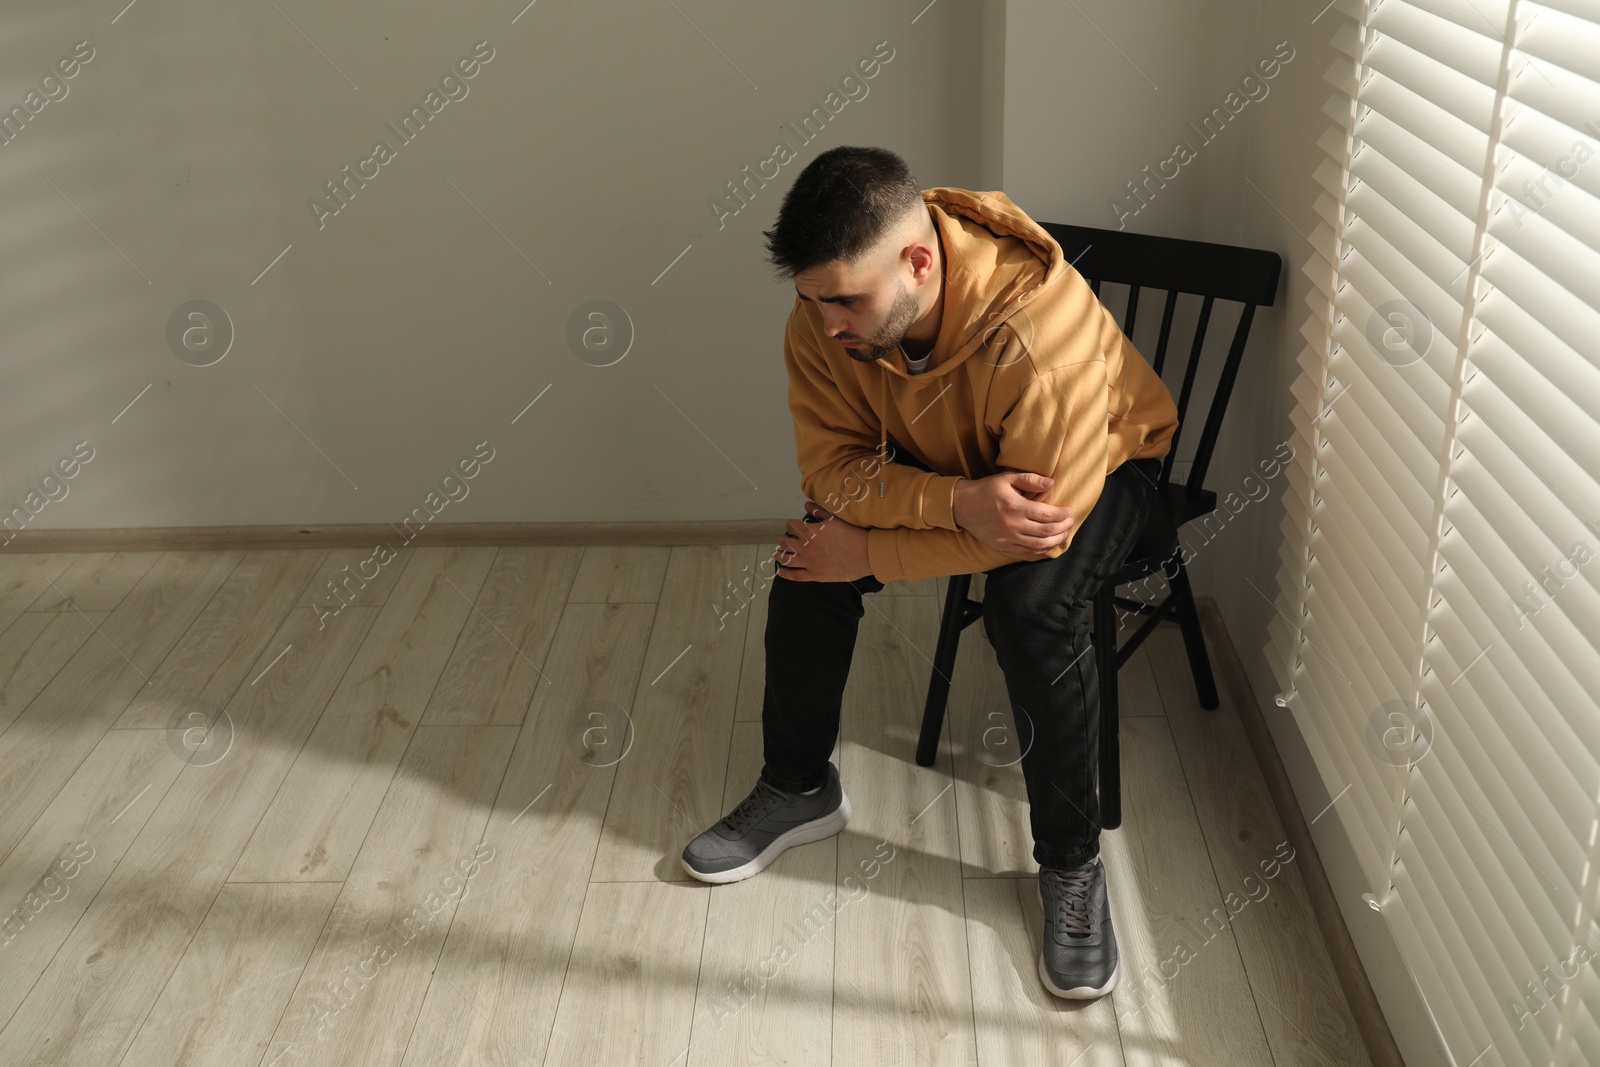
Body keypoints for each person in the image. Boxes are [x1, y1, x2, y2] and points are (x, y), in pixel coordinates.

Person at [679, 145, 1179, 1000]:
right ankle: (797, 785)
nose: (826, 324)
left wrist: (873, 549)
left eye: (844, 300)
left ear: (918, 262)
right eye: (813, 300)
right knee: (809, 558)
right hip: (952, 468)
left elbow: (1033, 528)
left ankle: (1071, 864)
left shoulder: (1039, 340)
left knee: (1029, 607)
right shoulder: (825, 313)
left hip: (1101, 470)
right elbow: (831, 468)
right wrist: (954, 503)